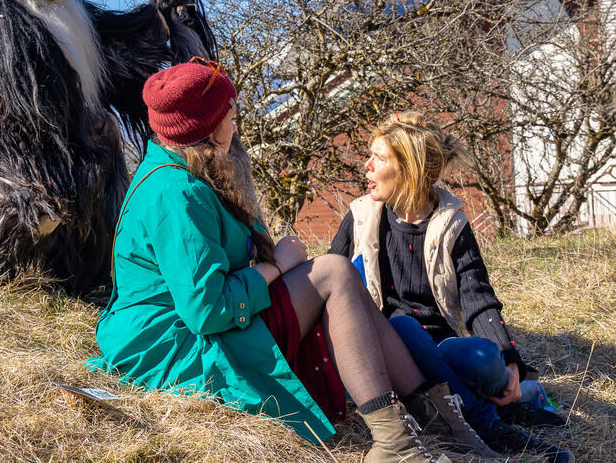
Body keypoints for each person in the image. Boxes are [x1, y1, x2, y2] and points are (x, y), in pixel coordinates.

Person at [87, 60, 495, 462]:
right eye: (230, 115)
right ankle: (395, 441)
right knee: (334, 271)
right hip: (174, 346)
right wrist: (277, 266)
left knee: (339, 281)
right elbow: (207, 311)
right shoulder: (176, 194)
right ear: (207, 128)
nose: (235, 124)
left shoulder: (191, 169)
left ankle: (439, 424)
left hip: (196, 327)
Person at [330, 111, 574, 462]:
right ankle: (488, 424)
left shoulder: (452, 224)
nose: (366, 166)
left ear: (408, 169)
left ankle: (513, 396)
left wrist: (510, 363)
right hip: (397, 354)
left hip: (446, 348)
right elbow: (333, 286)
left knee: (480, 357)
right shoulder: (360, 217)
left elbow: (479, 299)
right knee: (402, 326)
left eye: (379, 158)